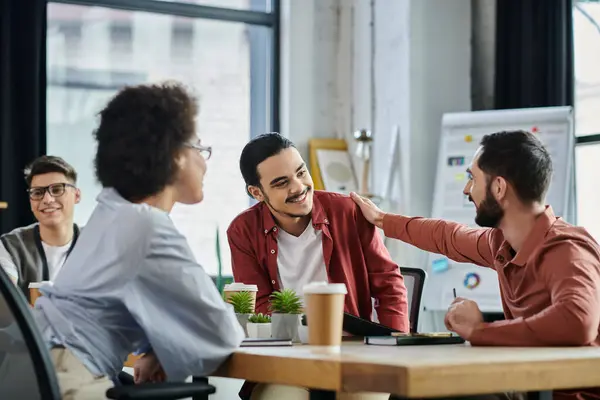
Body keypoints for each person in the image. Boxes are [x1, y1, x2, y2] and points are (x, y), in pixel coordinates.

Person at [30, 82, 245, 399]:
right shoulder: (147, 227)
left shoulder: (111, 212)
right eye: (198, 147)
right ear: (175, 156)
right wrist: (167, 349)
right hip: (72, 382)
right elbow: (222, 335)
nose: (204, 160)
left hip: (38, 369)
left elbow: (113, 302)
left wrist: (157, 348)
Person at [352, 130, 600, 400]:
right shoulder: (502, 242)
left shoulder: (567, 248)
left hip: (572, 395)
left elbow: (577, 321)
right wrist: (381, 219)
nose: (466, 189)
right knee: (410, 391)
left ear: (499, 188)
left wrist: (480, 331)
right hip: (531, 387)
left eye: (472, 178)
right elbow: (447, 236)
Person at [228, 133, 408, 400]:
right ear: (257, 192)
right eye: (281, 183)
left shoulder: (348, 212)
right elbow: (259, 303)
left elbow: (389, 284)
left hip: (354, 354)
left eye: (301, 172)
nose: (299, 187)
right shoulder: (243, 231)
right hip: (287, 360)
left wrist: (396, 347)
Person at [0, 156, 81, 297]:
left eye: (57, 190)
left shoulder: (97, 244)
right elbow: (5, 305)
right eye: (38, 193)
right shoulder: (9, 246)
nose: (48, 200)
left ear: (77, 195)